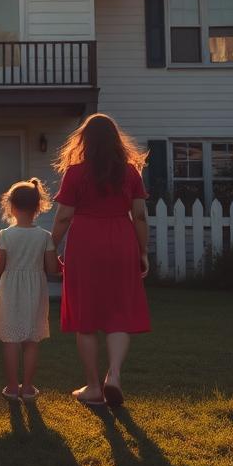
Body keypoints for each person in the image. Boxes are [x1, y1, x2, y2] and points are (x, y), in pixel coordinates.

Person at [50, 113, 150, 407]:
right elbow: (140, 215)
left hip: (85, 244)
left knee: (86, 317)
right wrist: (142, 251)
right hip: (121, 240)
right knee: (119, 312)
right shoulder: (131, 173)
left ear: (85, 141)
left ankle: (93, 387)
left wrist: (50, 247)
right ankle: (114, 375)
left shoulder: (76, 173)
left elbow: (64, 216)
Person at [0, 178, 58, 401]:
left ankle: (11, 387)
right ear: (38, 207)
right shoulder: (45, 237)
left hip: (10, 290)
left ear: (11, 206)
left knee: (10, 340)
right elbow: (52, 269)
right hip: (35, 290)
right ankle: (27, 387)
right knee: (31, 340)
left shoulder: (5, 235)